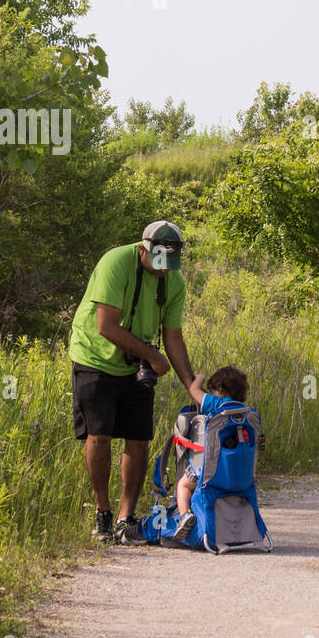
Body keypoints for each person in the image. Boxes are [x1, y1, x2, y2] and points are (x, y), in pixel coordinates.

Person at [68, 220, 197, 543]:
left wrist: (192, 386)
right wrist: (153, 358)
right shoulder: (115, 262)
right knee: (99, 435)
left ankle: (127, 518)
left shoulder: (174, 280)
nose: (163, 271)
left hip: (136, 364)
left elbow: (173, 337)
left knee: (138, 438)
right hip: (95, 357)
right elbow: (106, 327)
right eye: (158, 264)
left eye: (169, 265)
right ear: (143, 250)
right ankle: (103, 514)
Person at [173, 365, 253, 543]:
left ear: (220, 390)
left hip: (210, 473)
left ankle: (184, 515)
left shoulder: (216, 404)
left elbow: (193, 389)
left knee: (183, 486)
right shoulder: (248, 413)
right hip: (239, 476)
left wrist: (199, 377)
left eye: (212, 390)